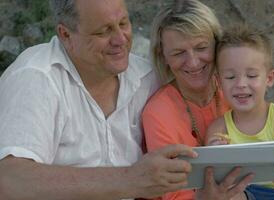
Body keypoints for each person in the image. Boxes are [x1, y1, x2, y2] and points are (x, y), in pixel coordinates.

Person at [0, 0, 201, 199]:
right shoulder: (36, 77)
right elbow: (9, 180)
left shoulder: (147, 78)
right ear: (66, 35)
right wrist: (130, 179)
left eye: (123, 24)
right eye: (104, 31)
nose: (120, 39)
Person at [142, 0, 274, 200]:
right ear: (164, 56)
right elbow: (177, 193)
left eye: (201, 47)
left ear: (217, 45)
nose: (193, 62)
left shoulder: (235, 91)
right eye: (178, 53)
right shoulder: (159, 114)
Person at [205, 23, 274, 199]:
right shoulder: (219, 128)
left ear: (269, 78)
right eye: (231, 77)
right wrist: (215, 157)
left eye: (252, 75)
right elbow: (212, 180)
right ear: (218, 81)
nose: (240, 84)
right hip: (242, 194)